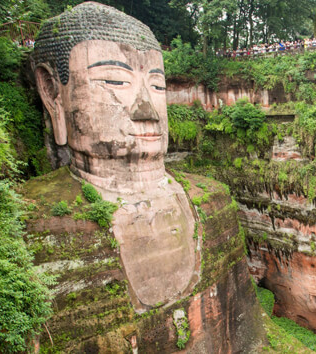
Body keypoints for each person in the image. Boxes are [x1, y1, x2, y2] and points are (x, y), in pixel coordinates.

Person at [32, 2, 198, 310]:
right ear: (53, 92)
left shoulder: (210, 199)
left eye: (157, 85)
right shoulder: (37, 230)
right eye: (115, 81)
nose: (146, 109)